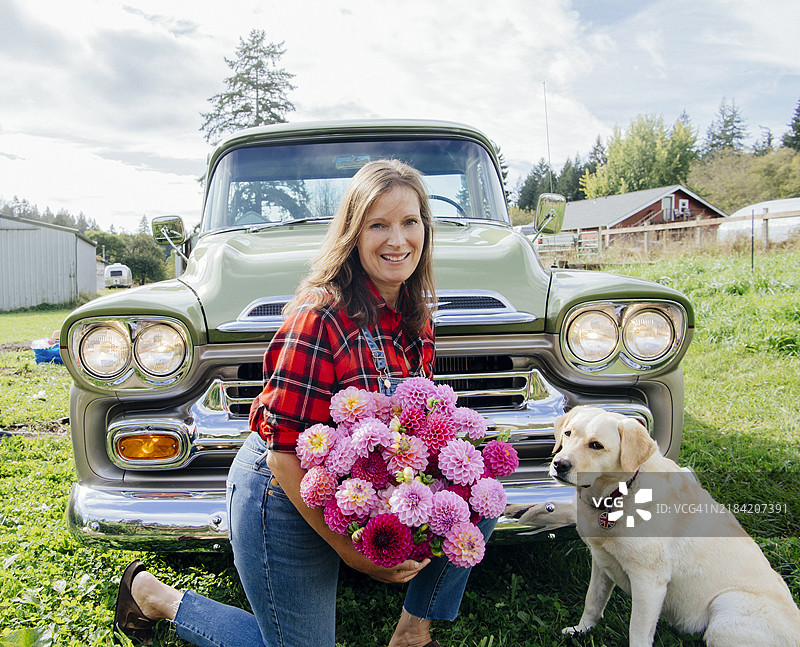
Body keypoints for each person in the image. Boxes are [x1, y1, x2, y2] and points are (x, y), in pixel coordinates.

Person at [113, 159, 496, 647]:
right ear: (353, 234)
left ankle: (412, 633)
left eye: (409, 222)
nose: (398, 240)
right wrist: (350, 552)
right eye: (378, 225)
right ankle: (156, 597)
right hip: (282, 488)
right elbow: (282, 453)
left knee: (478, 491)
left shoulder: (415, 315)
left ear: (426, 228)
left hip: (346, 483)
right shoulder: (321, 317)